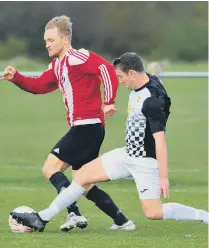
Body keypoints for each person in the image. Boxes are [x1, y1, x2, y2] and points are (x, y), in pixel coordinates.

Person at [10, 52, 209, 232]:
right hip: (126, 154)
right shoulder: (148, 80)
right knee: (83, 176)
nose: (120, 82)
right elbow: (154, 80)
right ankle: (42, 218)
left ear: (132, 73)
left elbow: (160, 142)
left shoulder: (151, 101)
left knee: (153, 213)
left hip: (145, 161)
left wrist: (163, 177)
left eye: (121, 77)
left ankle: (203, 216)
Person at [1, 16, 135, 231]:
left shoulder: (78, 57)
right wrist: (17, 77)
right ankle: (122, 221)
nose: (47, 44)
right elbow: (40, 86)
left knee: (50, 168)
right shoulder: (57, 65)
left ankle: (73, 214)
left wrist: (108, 102)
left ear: (64, 40)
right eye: (45, 40)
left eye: (51, 40)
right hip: (88, 128)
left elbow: (107, 70)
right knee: (84, 182)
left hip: (87, 126)